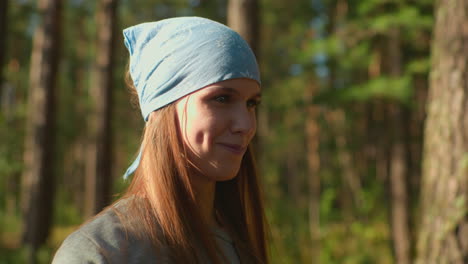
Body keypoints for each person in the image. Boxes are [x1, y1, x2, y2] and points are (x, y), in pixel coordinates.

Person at [52, 16, 269, 264]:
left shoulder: (238, 242)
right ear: (164, 107)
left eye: (251, 103)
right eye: (221, 99)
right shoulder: (101, 252)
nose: (246, 125)